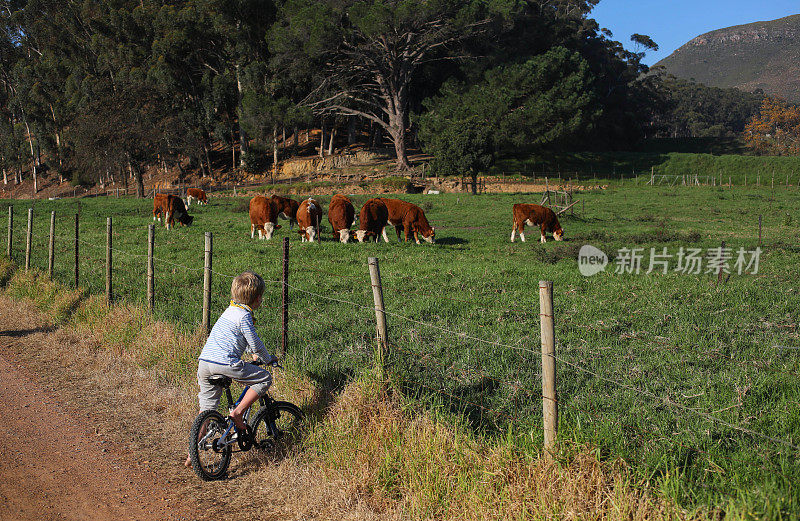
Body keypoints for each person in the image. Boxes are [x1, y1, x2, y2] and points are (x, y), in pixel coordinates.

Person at [185, 271, 277, 467]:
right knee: (264, 379)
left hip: (204, 363)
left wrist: (252, 354)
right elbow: (255, 342)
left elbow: (234, 337)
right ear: (258, 298)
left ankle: (193, 453)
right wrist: (266, 358)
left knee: (207, 409)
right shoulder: (245, 316)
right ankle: (238, 413)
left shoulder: (228, 311)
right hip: (225, 363)